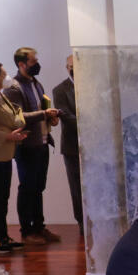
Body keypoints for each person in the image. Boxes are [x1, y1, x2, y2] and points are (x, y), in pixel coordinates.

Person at [0, 61, 38, 254]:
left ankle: (3, 236)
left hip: (4, 154)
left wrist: (15, 131)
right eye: (3, 73)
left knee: (2, 197)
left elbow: (14, 118)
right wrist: (7, 136)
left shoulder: (0, 96)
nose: (6, 76)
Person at [2, 47, 61, 246]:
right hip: (26, 146)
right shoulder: (13, 87)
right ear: (21, 64)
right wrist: (45, 114)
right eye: (33, 61)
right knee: (27, 188)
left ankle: (39, 227)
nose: (36, 64)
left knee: (38, 188)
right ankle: (27, 231)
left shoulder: (36, 83)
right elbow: (17, 118)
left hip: (43, 143)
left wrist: (51, 116)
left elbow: (42, 108)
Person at [52, 54, 82, 235]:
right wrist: (92, 124)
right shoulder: (60, 90)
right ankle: (82, 223)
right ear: (66, 67)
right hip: (72, 146)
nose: (74, 68)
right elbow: (66, 116)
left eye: (77, 64)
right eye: (71, 65)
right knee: (77, 187)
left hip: (96, 148)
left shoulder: (92, 85)